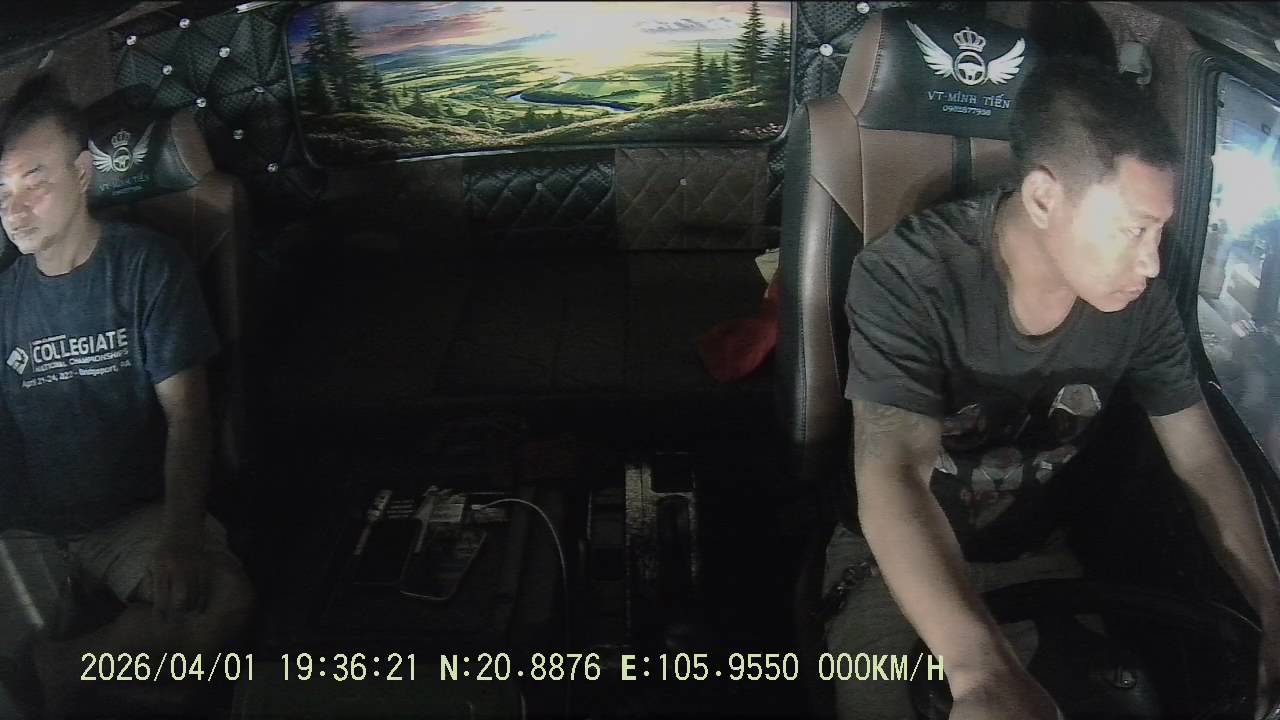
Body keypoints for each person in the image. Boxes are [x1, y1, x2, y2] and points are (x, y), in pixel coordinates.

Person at [824, 56, 1280, 720]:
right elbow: (893, 470)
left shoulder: (1140, 303)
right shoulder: (909, 275)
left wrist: (1273, 600)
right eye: (1134, 229)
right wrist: (982, 671)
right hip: (892, 562)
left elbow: (1201, 458)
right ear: (1043, 198)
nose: (1152, 262)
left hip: (1037, 559)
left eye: (1159, 232)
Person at [0, 74, 253, 717]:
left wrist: (180, 536)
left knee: (219, 605)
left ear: (82, 174)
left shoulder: (146, 267)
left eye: (34, 182)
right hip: (28, 528)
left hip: (130, 517)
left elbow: (189, 415)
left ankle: (65, 668)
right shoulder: (3, 299)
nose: (14, 210)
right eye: (1, 192)